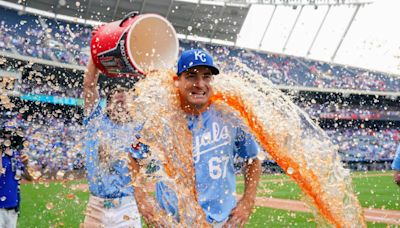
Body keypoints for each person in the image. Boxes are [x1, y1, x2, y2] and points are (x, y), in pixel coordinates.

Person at [131, 49, 262, 227]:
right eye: (191, 76)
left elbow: (253, 159)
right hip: (173, 223)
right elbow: (133, 156)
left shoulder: (229, 116)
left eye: (206, 76)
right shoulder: (160, 118)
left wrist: (247, 202)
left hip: (222, 222)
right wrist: (143, 202)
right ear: (177, 81)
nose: (200, 84)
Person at [82, 58, 141, 227]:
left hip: (127, 206)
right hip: (96, 206)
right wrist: (96, 52)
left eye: (124, 102)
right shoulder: (95, 122)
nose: (120, 106)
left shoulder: (138, 128)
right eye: (117, 102)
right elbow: (89, 85)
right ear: (107, 105)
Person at [0, 127, 32, 228]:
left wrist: (26, 165)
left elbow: (28, 178)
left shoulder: (16, 156)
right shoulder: (2, 157)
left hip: (13, 205)